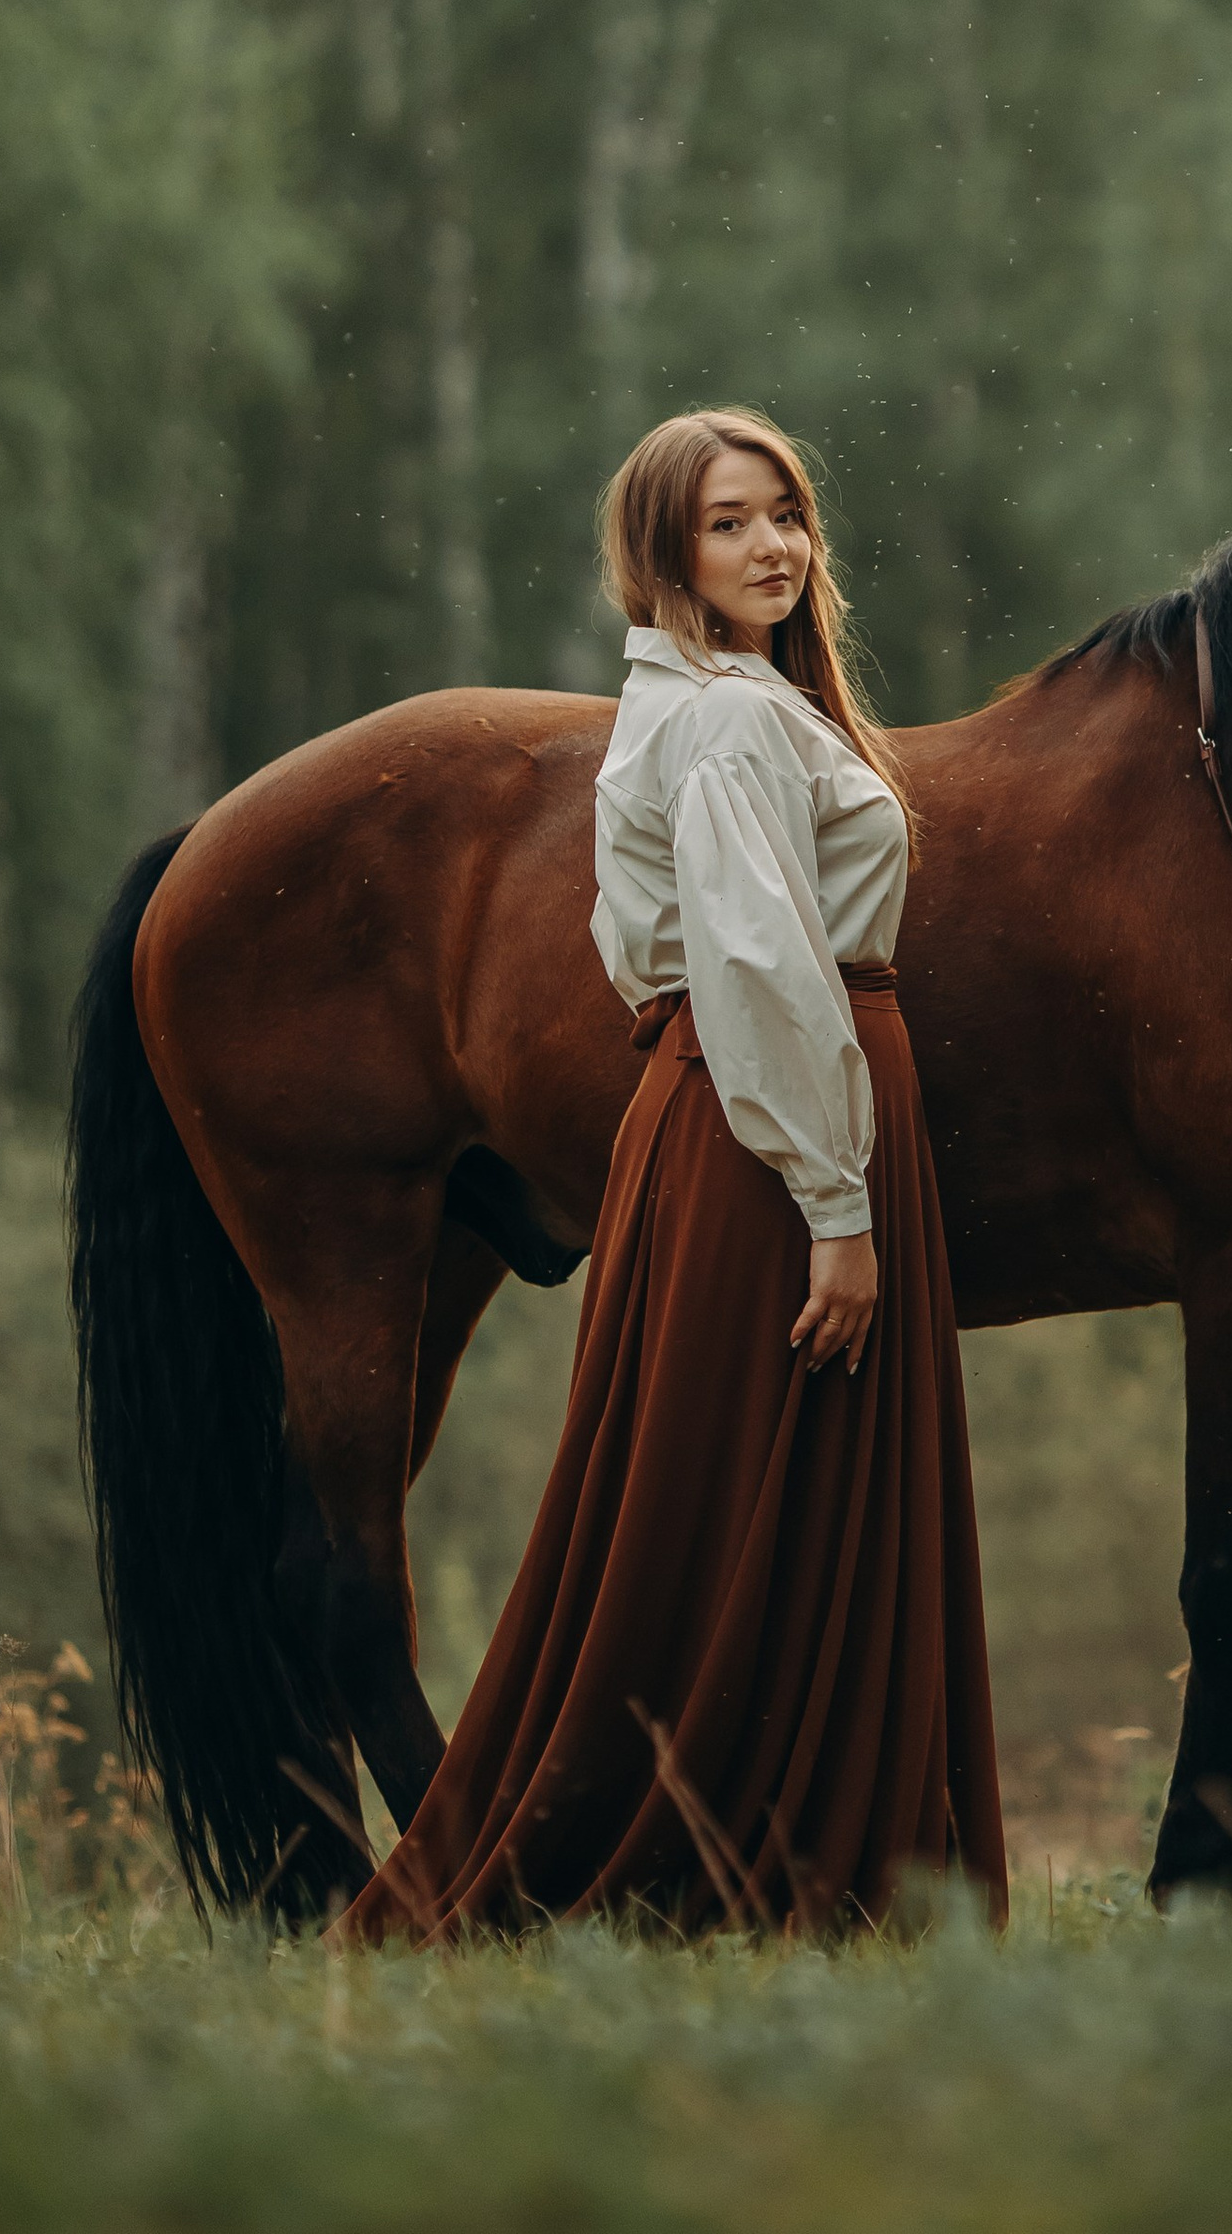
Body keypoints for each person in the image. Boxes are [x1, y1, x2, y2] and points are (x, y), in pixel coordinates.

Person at [343, 407, 1005, 1941]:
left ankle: (787, 1855)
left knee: (744, 1489)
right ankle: (728, 1861)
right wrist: (836, 1209)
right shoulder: (723, 724)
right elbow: (761, 971)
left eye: (786, 513)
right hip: (770, 1130)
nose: (773, 544)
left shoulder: (728, 702)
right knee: (737, 1492)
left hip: (755, 1115)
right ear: (662, 551)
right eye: (729, 521)